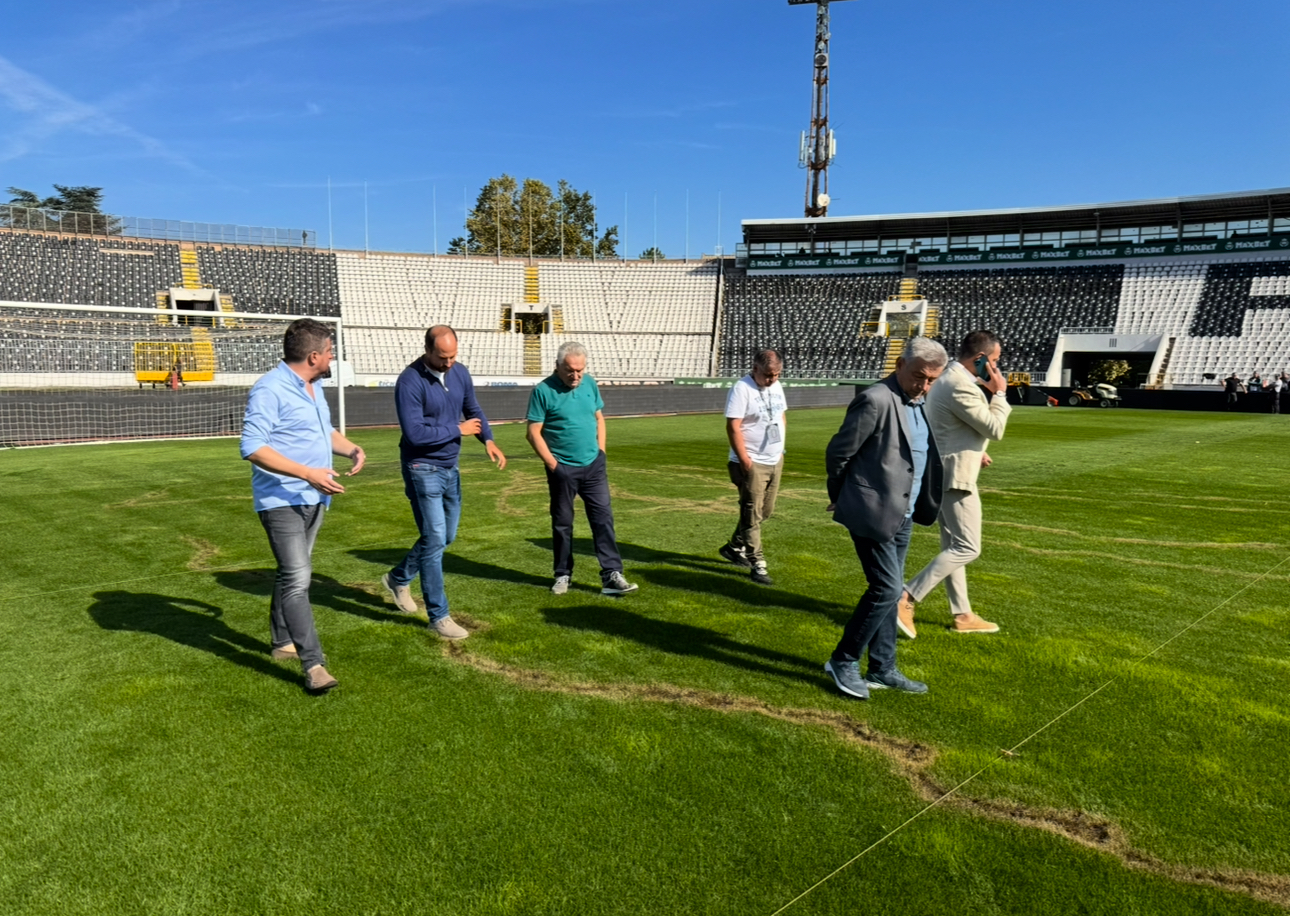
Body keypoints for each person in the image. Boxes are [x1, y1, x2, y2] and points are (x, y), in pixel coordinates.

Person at [240, 318, 366, 694]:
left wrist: (351, 448)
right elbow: (252, 447)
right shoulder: (269, 389)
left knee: (292, 574)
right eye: (330, 351)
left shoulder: (315, 386)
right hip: (281, 500)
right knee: (298, 579)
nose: (332, 357)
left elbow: (321, 430)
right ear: (314, 356)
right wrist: (306, 473)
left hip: (316, 497)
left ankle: (281, 642)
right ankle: (314, 665)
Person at [823, 337, 947, 700]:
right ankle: (843, 660)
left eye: (931, 380)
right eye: (919, 377)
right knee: (887, 589)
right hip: (872, 512)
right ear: (899, 365)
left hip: (903, 515)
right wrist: (842, 496)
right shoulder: (875, 399)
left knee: (891, 595)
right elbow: (838, 453)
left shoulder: (919, 402)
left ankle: (882, 667)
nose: (924, 386)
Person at [384, 325, 506, 640]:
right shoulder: (409, 382)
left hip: (450, 467)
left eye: (453, 356)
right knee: (435, 538)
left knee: (444, 536)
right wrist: (457, 429)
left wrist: (487, 439)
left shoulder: (460, 373)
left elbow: (473, 410)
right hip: (421, 467)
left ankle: (399, 577)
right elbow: (415, 434)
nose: (449, 362)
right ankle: (439, 616)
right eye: (442, 357)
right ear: (427, 351)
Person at [899, 330, 1011, 637]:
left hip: (950, 469)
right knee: (967, 547)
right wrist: (999, 393)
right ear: (980, 359)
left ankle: (962, 614)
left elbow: (954, 428)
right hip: (955, 476)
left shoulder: (953, 379)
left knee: (953, 545)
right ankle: (907, 596)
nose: (997, 368)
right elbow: (994, 428)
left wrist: (977, 452)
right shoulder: (959, 385)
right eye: (995, 361)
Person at [526, 341, 637, 596]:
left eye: (580, 370)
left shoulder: (589, 383)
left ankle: (611, 575)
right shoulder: (542, 391)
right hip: (562, 469)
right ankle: (563, 575)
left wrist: (602, 452)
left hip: (594, 466)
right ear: (557, 366)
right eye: (570, 370)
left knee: (603, 520)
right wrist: (554, 466)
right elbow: (533, 433)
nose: (575, 375)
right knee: (563, 524)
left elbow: (599, 417)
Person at [719, 349, 787, 585]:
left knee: (764, 512)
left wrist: (781, 450)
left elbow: (781, 416)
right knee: (751, 513)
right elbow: (733, 426)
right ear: (755, 368)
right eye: (769, 375)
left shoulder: (776, 387)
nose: (773, 379)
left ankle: (733, 546)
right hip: (751, 461)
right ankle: (757, 563)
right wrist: (745, 459)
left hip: (774, 458)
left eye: (777, 374)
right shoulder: (741, 388)